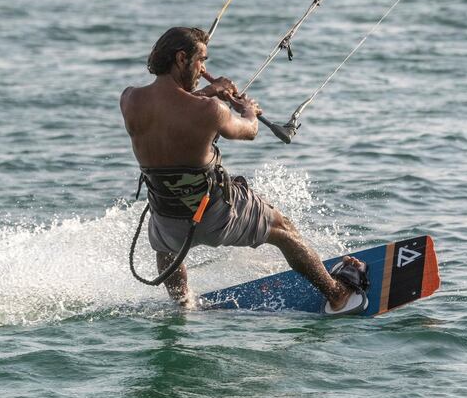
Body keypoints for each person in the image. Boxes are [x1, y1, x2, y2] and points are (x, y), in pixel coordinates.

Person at [120, 27, 368, 313]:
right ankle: (336, 293)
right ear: (180, 59)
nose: (203, 70)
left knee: (165, 247)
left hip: (168, 222)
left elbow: (172, 110)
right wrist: (248, 109)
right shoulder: (211, 111)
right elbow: (249, 131)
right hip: (216, 216)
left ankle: (183, 303)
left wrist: (210, 92)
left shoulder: (130, 100)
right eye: (201, 61)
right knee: (282, 229)